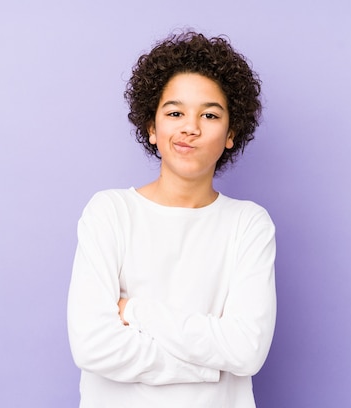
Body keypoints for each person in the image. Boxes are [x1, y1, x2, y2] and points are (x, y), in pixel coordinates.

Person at [67, 30, 276, 408]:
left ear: (231, 133)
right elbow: (92, 346)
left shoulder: (248, 225)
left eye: (209, 115)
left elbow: (246, 351)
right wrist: (207, 365)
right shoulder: (110, 213)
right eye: (175, 112)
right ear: (152, 127)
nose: (190, 127)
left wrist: (135, 311)